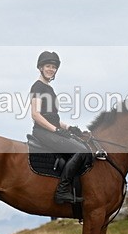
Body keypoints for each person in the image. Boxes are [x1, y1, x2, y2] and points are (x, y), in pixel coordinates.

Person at [30, 51, 91, 204]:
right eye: (48, 66)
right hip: (43, 132)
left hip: (51, 130)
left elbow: (53, 117)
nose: (51, 69)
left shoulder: (49, 89)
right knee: (80, 150)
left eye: (54, 67)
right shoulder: (37, 87)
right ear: (41, 68)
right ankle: (62, 191)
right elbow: (36, 115)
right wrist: (56, 130)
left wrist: (69, 127)